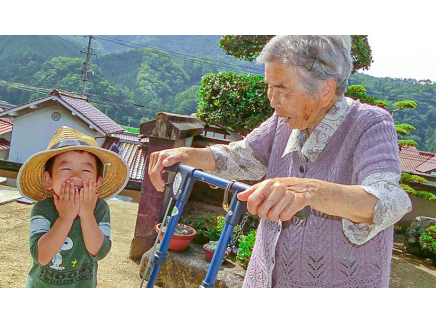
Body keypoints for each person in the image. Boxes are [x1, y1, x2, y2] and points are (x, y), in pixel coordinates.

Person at [148, 35, 412, 288]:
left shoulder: (371, 124)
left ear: (325, 90)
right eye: (269, 87)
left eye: (282, 89)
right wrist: (187, 154)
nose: (272, 100)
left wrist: (310, 191)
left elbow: (389, 199)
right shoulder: (284, 120)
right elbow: (242, 155)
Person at [17, 126, 129, 287]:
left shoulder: (100, 209)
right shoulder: (42, 209)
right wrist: (65, 217)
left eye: (85, 170)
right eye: (66, 168)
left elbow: (99, 252)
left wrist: (87, 215)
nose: (76, 176)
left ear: (98, 182)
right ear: (48, 180)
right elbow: (41, 257)